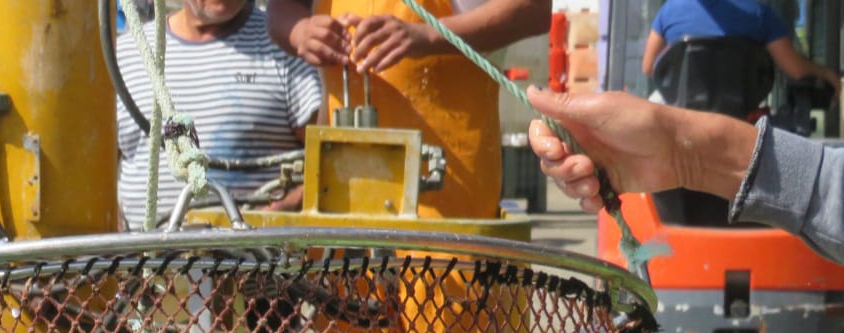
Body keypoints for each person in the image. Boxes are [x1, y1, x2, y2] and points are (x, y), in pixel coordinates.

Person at [267, 0, 552, 219]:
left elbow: (533, 9)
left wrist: (428, 35)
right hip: (339, 201)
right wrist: (301, 32)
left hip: (446, 202)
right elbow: (283, 9)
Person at [528, 85, 844, 265]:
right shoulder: (761, 15)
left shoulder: (670, 14)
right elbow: (790, 62)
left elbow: (652, 61)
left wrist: (680, 147)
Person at [115, 0, 323, 226]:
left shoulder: (285, 47)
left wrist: (280, 211)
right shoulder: (128, 54)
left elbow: (329, 164)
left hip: (253, 256)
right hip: (139, 257)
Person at [642, 0, 841, 101]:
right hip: (743, 117)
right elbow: (795, 69)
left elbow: (649, 66)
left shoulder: (670, 10)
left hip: (682, 113)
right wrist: (826, 72)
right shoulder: (759, 13)